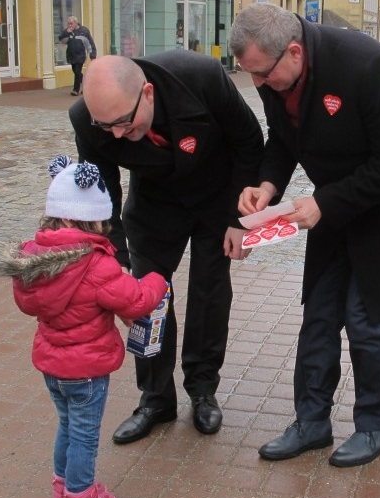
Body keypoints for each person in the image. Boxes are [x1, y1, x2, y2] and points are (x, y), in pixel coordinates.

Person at [230, 3, 380, 467]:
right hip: (333, 204)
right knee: (321, 312)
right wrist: (267, 185)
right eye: (251, 76)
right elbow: (282, 139)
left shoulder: (368, 64)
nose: (258, 86)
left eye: (262, 75)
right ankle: (312, 422)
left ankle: (375, 425)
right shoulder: (272, 74)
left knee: (366, 319)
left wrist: (324, 203)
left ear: (294, 52)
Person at [69, 53, 264, 444]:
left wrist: (238, 221)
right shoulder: (88, 119)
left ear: (148, 93)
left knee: (210, 294)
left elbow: (248, 141)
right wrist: (114, 254)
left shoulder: (202, 77)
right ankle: (156, 398)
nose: (118, 135)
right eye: (107, 127)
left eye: (125, 122)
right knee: (145, 300)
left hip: (216, 198)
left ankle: (203, 389)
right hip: (154, 205)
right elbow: (102, 188)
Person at [0, 155, 168, 498]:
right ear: (78, 221)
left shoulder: (34, 260)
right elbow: (135, 300)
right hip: (87, 371)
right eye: (100, 224)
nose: (104, 231)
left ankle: (62, 493)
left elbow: (27, 305)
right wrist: (156, 279)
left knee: (67, 428)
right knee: (84, 436)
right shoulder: (96, 264)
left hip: (52, 366)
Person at [59, 16, 97, 96]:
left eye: (71, 23)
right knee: (77, 72)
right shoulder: (68, 32)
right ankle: (86, 83)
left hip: (81, 55)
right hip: (71, 55)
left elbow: (89, 43)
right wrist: (67, 32)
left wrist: (92, 54)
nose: (70, 25)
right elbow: (61, 40)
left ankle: (75, 90)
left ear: (76, 23)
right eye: (69, 23)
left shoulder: (84, 31)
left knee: (77, 72)